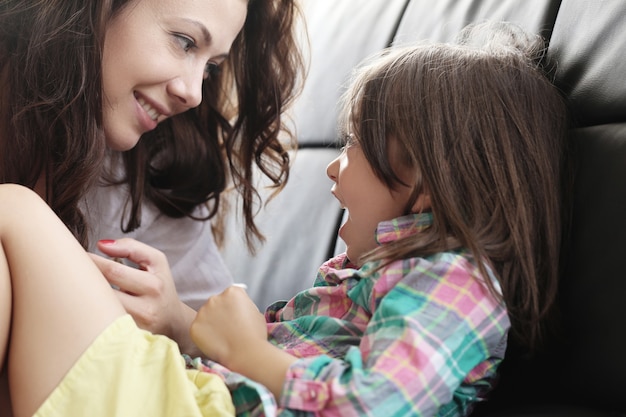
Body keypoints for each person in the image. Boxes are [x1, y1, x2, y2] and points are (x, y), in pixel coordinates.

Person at [0, 21, 569, 417]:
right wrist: (177, 319)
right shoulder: (371, 279)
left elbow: (376, 406)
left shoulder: (456, 287)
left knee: (16, 208)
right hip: (195, 395)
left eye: (355, 146)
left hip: (199, 406)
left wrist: (249, 353)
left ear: (420, 176)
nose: (335, 169)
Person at [0, 0, 304, 311]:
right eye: (184, 42)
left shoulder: (158, 170)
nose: (193, 95)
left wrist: (176, 322)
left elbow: (220, 331)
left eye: (211, 68)